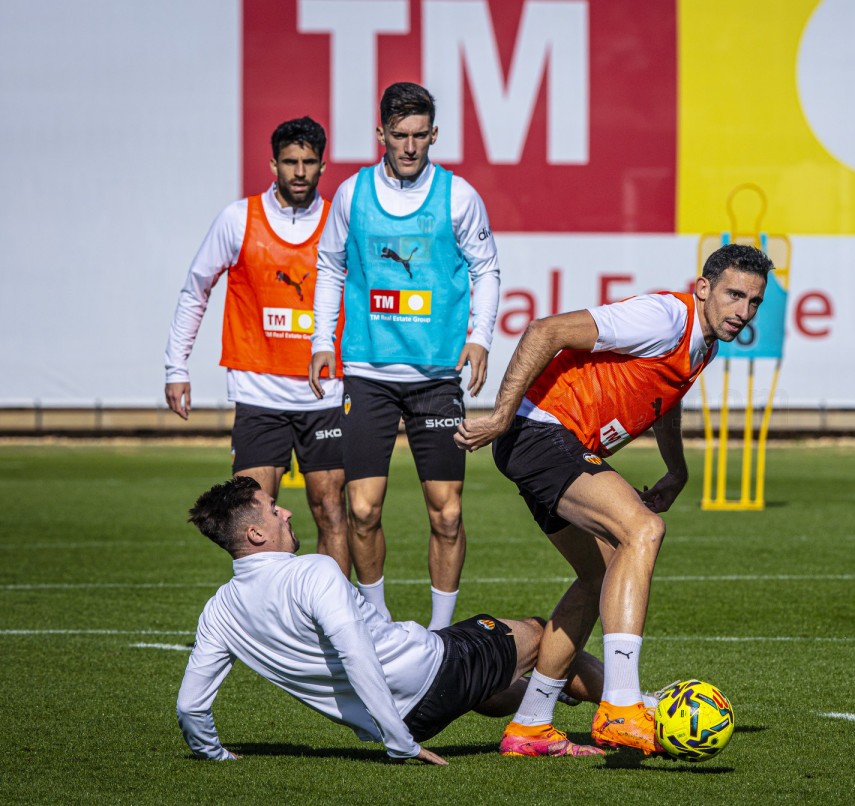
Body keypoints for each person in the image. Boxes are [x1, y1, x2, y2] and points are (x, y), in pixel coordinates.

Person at [454, 243, 772, 756]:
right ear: (703, 288)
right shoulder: (664, 317)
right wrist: (500, 416)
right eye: (734, 295)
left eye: (754, 302)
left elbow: (664, 399)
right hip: (541, 432)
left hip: (548, 442)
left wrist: (677, 469)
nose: (744, 310)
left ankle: (531, 723)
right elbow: (545, 331)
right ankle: (622, 706)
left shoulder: (704, 344)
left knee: (598, 575)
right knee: (643, 529)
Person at [177, 476, 603, 763]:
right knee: (540, 633)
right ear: (255, 534)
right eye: (273, 510)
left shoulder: (219, 610)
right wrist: (401, 742)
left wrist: (214, 753)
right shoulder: (312, 571)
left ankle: (546, 697)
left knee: (489, 688)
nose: (285, 512)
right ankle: (628, 708)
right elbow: (356, 653)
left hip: (408, 717)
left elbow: (190, 706)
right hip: (432, 673)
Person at [309, 82, 499, 628]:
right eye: (399, 135)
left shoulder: (459, 197)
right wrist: (322, 342)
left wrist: (481, 336)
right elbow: (330, 267)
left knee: (448, 513)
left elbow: (487, 268)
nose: (410, 146)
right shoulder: (352, 194)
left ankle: (441, 635)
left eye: (419, 135)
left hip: (436, 376)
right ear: (381, 134)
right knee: (362, 510)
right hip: (367, 372)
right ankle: (376, 623)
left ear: (434, 134)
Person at [164, 117, 350, 575]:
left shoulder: (338, 222)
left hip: (324, 392)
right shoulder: (237, 219)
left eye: (309, 162)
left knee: (331, 511)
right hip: (258, 391)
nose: (300, 172)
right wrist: (176, 367)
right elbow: (196, 289)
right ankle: (266, 614)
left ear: (323, 166)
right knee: (253, 519)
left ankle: (336, 613)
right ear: (273, 164)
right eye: (290, 161)